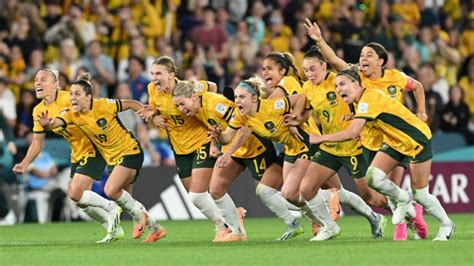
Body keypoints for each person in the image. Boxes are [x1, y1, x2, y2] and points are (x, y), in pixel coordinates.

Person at [304, 18, 428, 241]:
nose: (362, 59)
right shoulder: (357, 76)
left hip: (394, 138)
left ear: (381, 61)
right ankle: (411, 212)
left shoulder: (395, 77)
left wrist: (421, 111)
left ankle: (404, 225)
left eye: (368, 55)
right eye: (361, 55)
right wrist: (320, 39)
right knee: (377, 195)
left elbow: (417, 86)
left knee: (392, 186)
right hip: (369, 139)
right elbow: (334, 60)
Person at [310, 68, 454, 241]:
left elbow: (352, 132)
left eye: (342, 84)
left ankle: (446, 224)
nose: (338, 89)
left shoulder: (367, 99)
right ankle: (403, 198)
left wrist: (320, 138)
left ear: (356, 84)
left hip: (415, 139)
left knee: (421, 195)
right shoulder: (360, 100)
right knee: (373, 177)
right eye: (336, 86)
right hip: (395, 141)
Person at [35, 72, 165, 243]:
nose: (72, 98)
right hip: (112, 159)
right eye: (71, 94)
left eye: (77, 94)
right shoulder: (71, 114)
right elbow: (56, 122)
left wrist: (151, 115)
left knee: (110, 190)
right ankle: (155, 229)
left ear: (88, 97)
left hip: (129, 151)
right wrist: (48, 124)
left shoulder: (104, 105)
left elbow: (131, 103)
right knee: (127, 201)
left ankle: (138, 217)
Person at [172, 80, 302, 241]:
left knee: (269, 193)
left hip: (255, 148)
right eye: (177, 106)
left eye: (182, 104)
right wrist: (214, 143)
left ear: (192, 96)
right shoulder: (196, 108)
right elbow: (215, 127)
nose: (181, 109)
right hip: (233, 151)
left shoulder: (216, 105)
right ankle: (237, 232)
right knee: (216, 190)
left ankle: (315, 205)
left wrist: (227, 153)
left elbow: (245, 125)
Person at [12, 69, 129, 243]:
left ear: (55, 84)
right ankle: (113, 228)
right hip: (78, 152)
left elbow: (98, 109)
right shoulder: (38, 111)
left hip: (95, 146)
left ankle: (111, 207)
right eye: (36, 79)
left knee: (75, 193)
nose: (37, 83)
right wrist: (24, 163)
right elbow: (37, 143)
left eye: (43, 79)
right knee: (80, 200)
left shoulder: (70, 97)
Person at [215, 77, 339, 241]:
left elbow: (301, 97)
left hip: (306, 143)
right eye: (236, 97)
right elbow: (228, 137)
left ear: (254, 98)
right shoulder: (242, 115)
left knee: (292, 191)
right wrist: (219, 137)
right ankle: (310, 219)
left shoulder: (273, 105)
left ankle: (328, 219)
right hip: (291, 150)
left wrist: (295, 119)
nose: (237, 101)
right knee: (272, 192)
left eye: (242, 97)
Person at [136, 56, 232, 241]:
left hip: (201, 141)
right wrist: (154, 116)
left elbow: (211, 86)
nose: (154, 78)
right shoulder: (152, 89)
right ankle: (233, 216)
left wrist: (205, 110)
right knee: (197, 195)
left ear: (172, 75)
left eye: (159, 73)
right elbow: (154, 108)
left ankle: (224, 227)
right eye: (152, 73)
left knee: (197, 196)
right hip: (180, 148)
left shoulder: (190, 88)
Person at [298, 46, 387, 238]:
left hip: (353, 145)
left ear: (324, 66)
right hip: (330, 147)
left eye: (313, 69)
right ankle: (329, 226)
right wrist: (296, 119)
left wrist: (320, 40)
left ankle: (405, 210)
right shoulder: (307, 87)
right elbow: (305, 111)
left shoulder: (338, 79)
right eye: (305, 70)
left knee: (372, 197)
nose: (309, 74)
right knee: (307, 188)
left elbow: (342, 67)